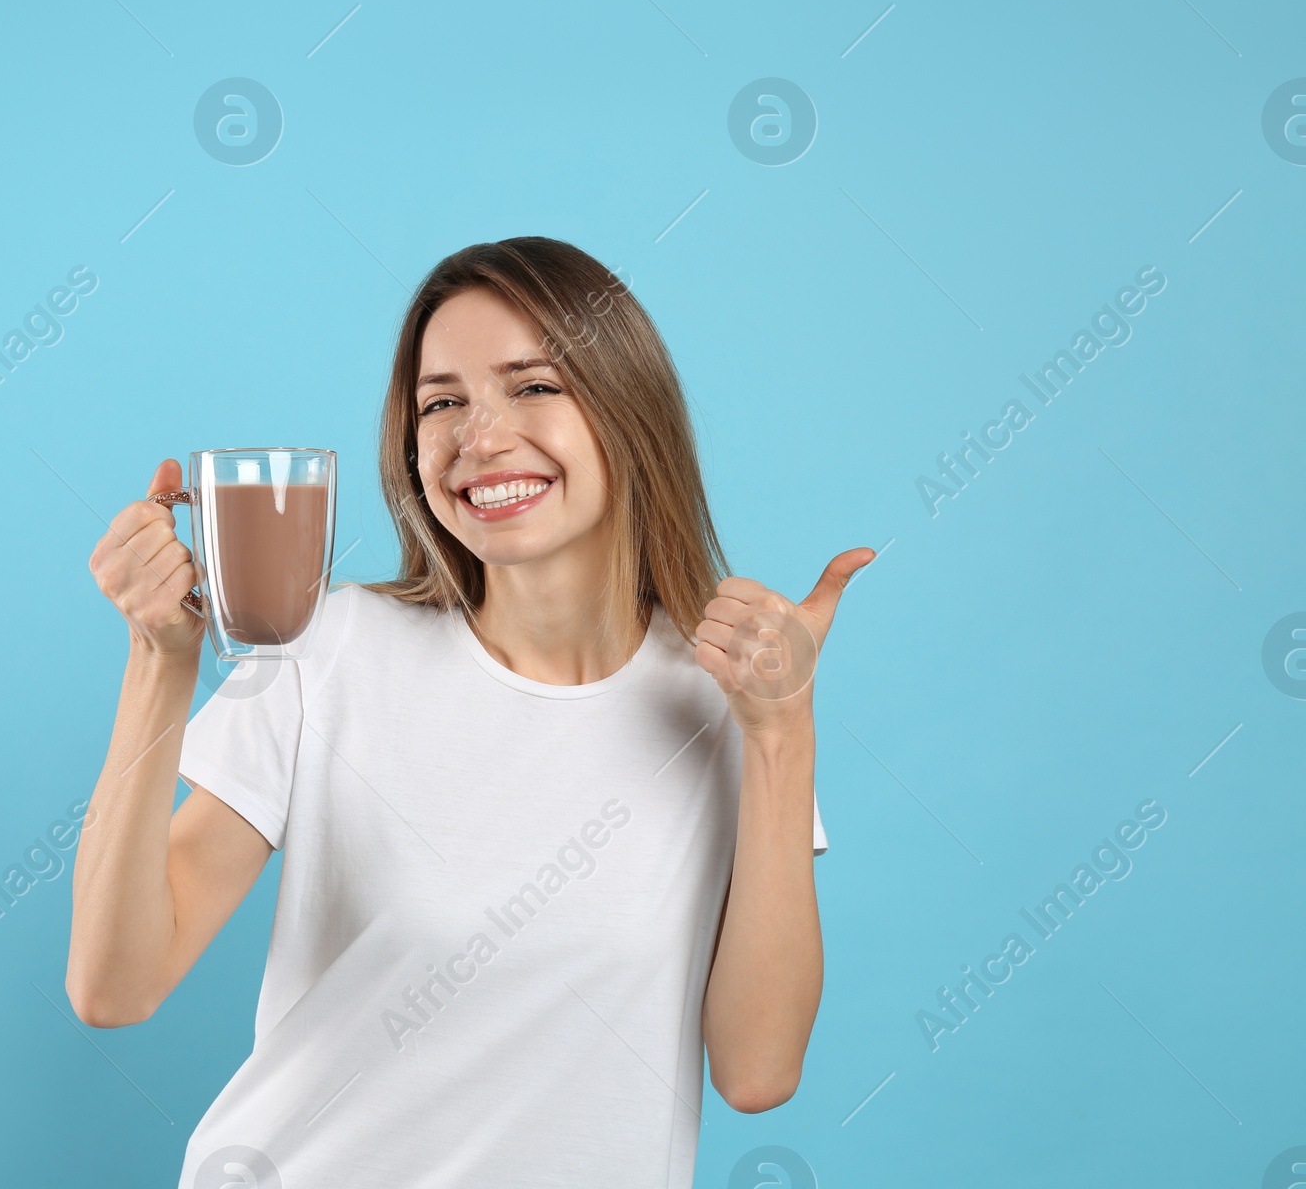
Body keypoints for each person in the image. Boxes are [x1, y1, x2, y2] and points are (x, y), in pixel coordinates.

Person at [66, 236, 873, 1188]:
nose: (478, 438)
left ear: (628, 409)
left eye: (533, 386)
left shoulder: (727, 698)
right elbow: (113, 986)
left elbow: (757, 1072)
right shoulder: (330, 650)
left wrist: (782, 735)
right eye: (441, 403)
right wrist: (158, 660)